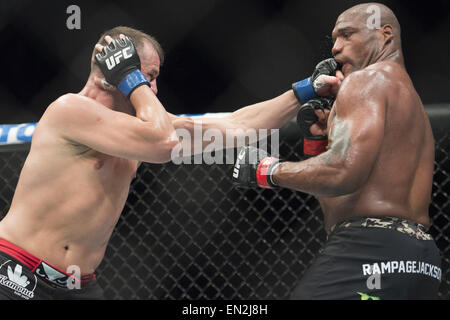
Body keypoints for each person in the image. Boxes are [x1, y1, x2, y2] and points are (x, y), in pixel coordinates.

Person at [232, 3, 442, 299]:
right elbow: (336, 198)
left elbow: (342, 171)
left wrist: (266, 170)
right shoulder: (412, 103)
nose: (335, 49)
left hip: (368, 251)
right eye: (334, 39)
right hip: (421, 261)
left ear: (385, 35)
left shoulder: (365, 80)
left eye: (347, 35)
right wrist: (317, 143)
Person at [0, 26, 179, 299]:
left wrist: (272, 106)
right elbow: (165, 142)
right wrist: (131, 78)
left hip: (80, 286)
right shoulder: (69, 109)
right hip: (17, 267)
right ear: (116, 71)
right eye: (149, 76)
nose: (152, 88)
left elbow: (237, 123)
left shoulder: (139, 134)